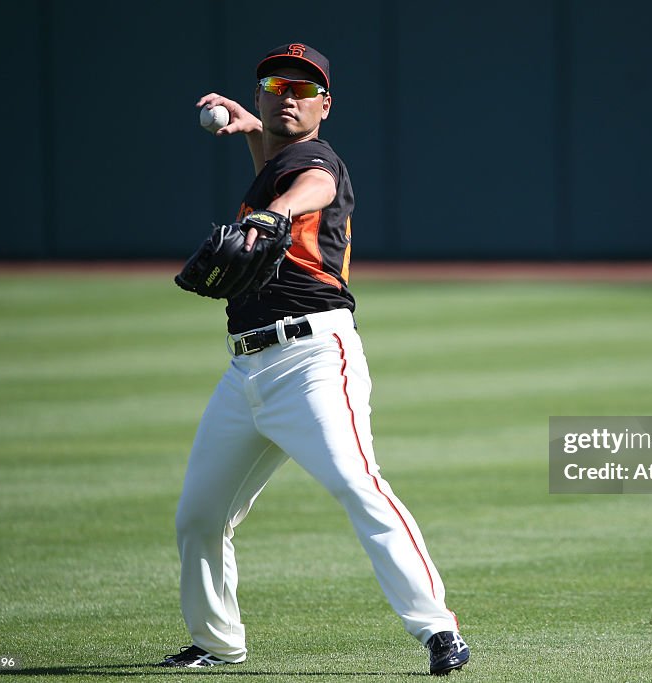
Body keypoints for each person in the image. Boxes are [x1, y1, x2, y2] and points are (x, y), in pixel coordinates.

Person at [157, 43, 470, 676]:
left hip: (311, 361)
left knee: (358, 484)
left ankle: (439, 630)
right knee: (199, 516)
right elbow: (277, 173)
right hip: (244, 372)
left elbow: (312, 184)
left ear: (324, 104)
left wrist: (275, 211)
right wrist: (252, 136)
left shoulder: (317, 161)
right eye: (276, 84)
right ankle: (217, 643)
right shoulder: (273, 163)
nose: (289, 94)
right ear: (262, 96)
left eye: (304, 87)